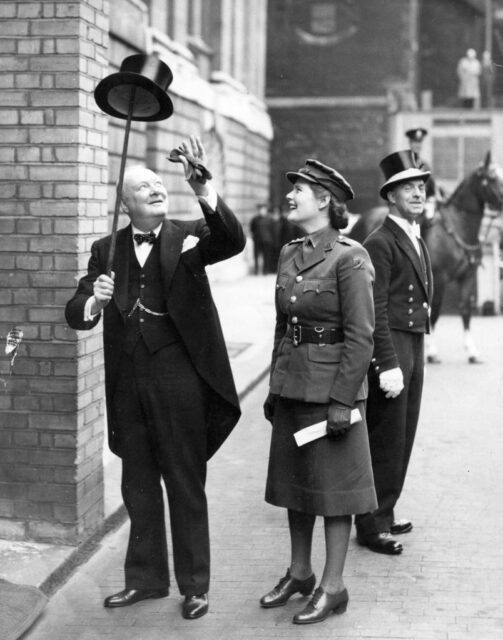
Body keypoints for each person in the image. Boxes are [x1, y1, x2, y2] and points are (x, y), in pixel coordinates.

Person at [65, 136, 246, 619]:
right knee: (138, 485)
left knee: (185, 482)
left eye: (160, 184)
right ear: (124, 205)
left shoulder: (188, 236)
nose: (156, 189)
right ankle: (145, 581)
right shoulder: (106, 250)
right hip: (129, 385)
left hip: (180, 381)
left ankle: (195, 586)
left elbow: (231, 240)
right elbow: (76, 315)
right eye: (143, 186)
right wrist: (95, 300)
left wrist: (203, 189)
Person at [260, 159, 377, 625]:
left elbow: (361, 336)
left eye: (300, 190)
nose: (290, 197)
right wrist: (275, 385)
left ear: (325, 200)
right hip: (293, 387)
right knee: (296, 485)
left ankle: (333, 586)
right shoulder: (290, 252)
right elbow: (282, 325)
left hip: (332, 392)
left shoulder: (350, 257)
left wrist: (344, 401)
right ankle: (300, 572)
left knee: (333, 493)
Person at [354, 150, 433, 555]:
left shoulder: (413, 234)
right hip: (393, 347)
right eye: (408, 187)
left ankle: (386, 511)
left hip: (413, 341)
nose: (418, 193)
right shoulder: (380, 240)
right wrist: (386, 363)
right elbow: (376, 308)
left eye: (421, 186)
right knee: (385, 436)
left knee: (403, 433)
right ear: (391, 196)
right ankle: (370, 525)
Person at [405, 127, 438, 220]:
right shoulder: (403, 164)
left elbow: (432, 188)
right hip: (407, 204)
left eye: (419, 142)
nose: (418, 145)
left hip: (422, 204)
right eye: (415, 142)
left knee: (431, 218)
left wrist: (434, 197)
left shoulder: (425, 166)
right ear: (410, 143)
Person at [250, 203, 275, 274]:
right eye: (260, 210)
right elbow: (252, 228)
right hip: (257, 240)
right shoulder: (255, 219)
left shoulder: (270, 219)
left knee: (266, 256)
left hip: (267, 240)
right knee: (256, 256)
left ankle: (265, 271)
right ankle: (256, 270)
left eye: (263, 210)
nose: (262, 211)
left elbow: (272, 230)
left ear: (266, 210)